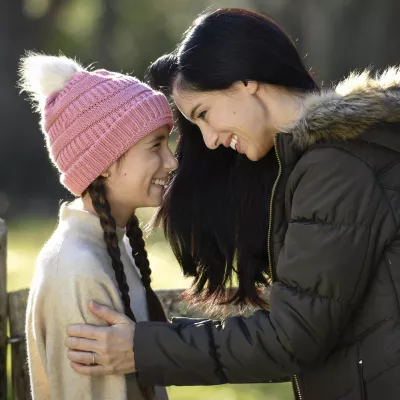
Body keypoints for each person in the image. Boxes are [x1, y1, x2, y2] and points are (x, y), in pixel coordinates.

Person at [65, 8, 400, 400]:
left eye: (203, 114)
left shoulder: (334, 167)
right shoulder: (323, 160)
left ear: (245, 81)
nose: (208, 139)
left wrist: (141, 348)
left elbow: (293, 339)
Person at [20, 53, 177, 400]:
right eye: (155, 145)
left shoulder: (108, 247)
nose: (171, 161)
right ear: (104, 163)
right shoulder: (77, 269)